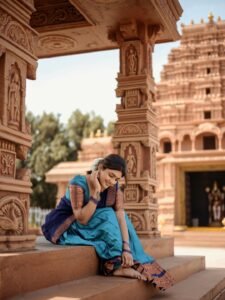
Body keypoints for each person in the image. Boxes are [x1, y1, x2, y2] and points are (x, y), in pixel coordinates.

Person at [42, 154, 174, 291]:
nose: (112, 181)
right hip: (68, 224)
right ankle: (116, 266)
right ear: (100, 168)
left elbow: (121, 215)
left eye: (116, 178)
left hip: (93, 221)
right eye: (110, 175)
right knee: (106, 214)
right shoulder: (78, 183)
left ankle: (129, 260)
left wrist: (126, 248)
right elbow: (82, 218)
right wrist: (96, 193)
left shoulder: (114, 187)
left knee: (123, 222)